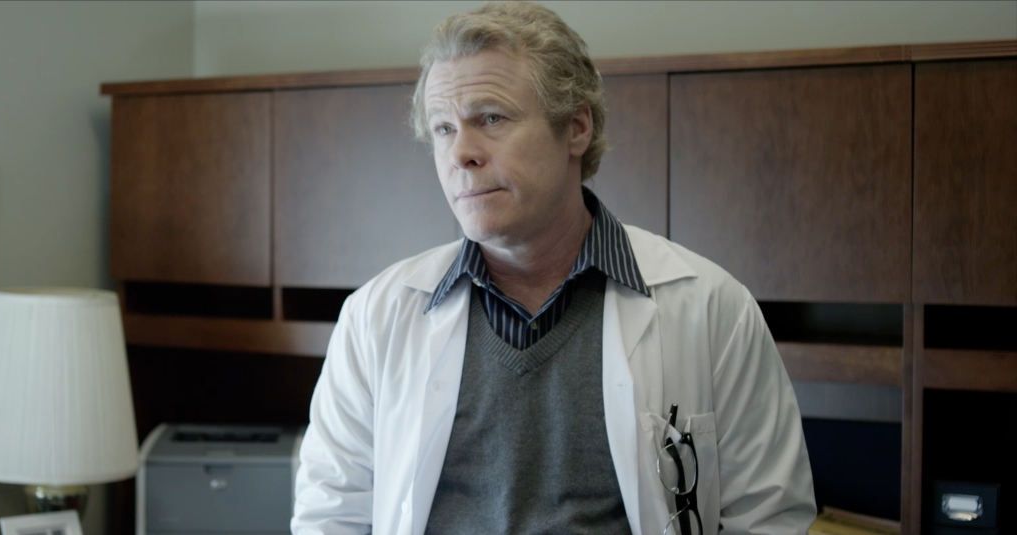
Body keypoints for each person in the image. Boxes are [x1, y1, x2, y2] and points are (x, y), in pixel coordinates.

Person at [291, 3, 815, 535]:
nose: (461, 153)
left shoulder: (712, 308)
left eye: (491, 118)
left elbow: (770, 519)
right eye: (443, 128)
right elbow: (330, 518)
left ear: (576, 128)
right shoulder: (374, 318)